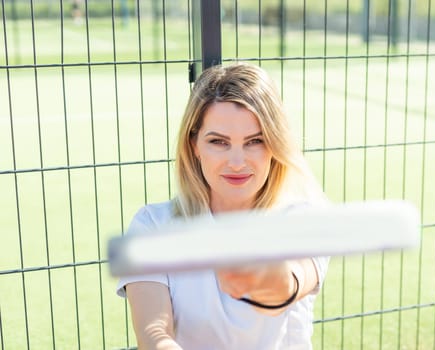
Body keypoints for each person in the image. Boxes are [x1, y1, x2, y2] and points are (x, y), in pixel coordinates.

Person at [116, 63, 330, 350]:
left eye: (255, 141)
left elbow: (290, 285)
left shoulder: (303, 220)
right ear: (194, 145)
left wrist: (270, 278)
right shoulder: (151, 226)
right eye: (219, 142)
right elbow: (154, 335)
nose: (237, 161)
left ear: (274, 145)